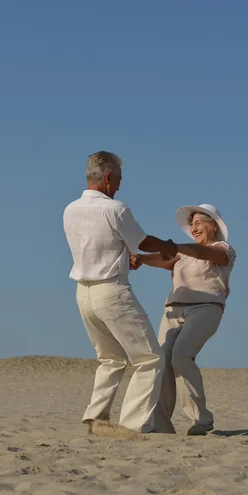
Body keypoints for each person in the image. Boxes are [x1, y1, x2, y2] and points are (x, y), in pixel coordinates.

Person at [63, 151, 177, 433]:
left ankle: (95, 418)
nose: (118, 187)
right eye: (117, 180)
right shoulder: (115, 209)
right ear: (107, 177)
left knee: (110, 358)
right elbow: (143, 241)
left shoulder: (70, 209)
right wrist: (168, 245)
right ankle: (133, 425)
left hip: (83, 293)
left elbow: (99, 244)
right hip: (111, 291)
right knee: (150, 357)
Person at [132, 204, 236, 436]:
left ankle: (201, 419)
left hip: (206, 308)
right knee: (162, 362)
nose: (194, 227)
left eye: (199, 222)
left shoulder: (223, 249)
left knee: (181, 355)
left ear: (214, 226)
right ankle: (161, 425)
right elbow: (164, 259)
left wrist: (174, 246)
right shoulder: (182, 254)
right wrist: (141, 259)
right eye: (192, 224)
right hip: (173, 311)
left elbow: (203, 253)